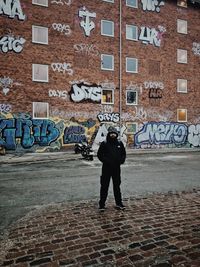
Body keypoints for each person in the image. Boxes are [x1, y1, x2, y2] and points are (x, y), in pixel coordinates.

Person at [97, 126, 126, 211]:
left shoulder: (119, 144)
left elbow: (123, 154)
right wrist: (106, 161)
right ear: (109, 134)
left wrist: (121, 160)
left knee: (117, 186)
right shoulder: (104, 143)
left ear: (116, 134)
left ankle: (119, 203)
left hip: (116, 169)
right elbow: (99, 155)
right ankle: (102, 204)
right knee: (104, 187)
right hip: (106, 169)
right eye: (111, 133)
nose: (113, 135)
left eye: (114, 133)